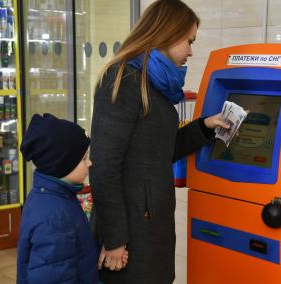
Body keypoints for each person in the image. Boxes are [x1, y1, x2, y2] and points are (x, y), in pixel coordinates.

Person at [89, 0, 229, 283]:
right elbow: (103, 166)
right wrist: (115, 239)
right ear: (168, 32)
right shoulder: (123, 80)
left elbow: (158, 151)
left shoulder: (156, 82)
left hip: (153, 224)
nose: (190, 51)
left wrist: (204, 127)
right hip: (129, 231)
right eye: (189, 41)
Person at [17, 113, 120, 284]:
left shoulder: (54, 198)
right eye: (84, 159)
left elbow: (74, 251)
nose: (90, 163)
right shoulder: (54, 220)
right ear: (62, 164)